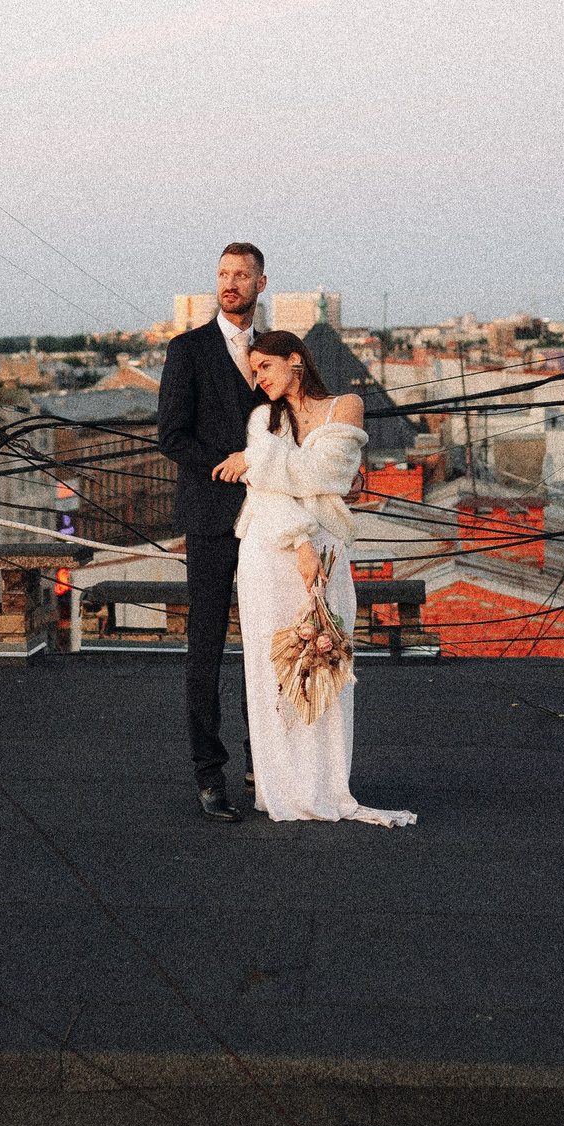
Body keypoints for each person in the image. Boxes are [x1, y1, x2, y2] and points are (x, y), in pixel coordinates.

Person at [213, 330, 415, 827]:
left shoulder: (345, 405)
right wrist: (300, 541)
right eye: (253, 371)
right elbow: (268, 493)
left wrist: (256, 461)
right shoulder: (262, 418)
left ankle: (325, 785)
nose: (258, 380)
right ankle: (280, 787)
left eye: (264, 367)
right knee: (274, 668)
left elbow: (330, 473)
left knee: (328, 661)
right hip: (272, 547)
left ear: (295, 360)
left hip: (329, 544)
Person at [156, 243, 269, 822]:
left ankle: (264, 763)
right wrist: (230, 461)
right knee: (206, 648)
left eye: (241, 275)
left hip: (269, 520)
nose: (230, 283)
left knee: (265, 644)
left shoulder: (276, 353)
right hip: (209, 517)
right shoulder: (188, 350)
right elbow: (171, 436)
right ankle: (210, 774)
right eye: (223, 275)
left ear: (260, 283)